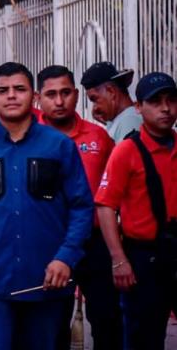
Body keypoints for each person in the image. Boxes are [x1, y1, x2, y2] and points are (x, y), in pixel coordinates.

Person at [0, 62, 93, 350]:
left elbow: (81, 207)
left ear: (33, 96)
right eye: (3, 90)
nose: (11, 95)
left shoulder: (59, 146)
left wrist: (66, 257)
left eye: (19, 89)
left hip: (48, 281)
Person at [34, 65, 120, 349]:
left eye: (66, 93)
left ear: (76, 94)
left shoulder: (99, 138)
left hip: (94, 243)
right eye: (51, 94)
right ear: (39, 99)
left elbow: (116, 191)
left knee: (108, 321)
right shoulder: (30, 139)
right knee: (51, 324)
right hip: (50, 244)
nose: (59, 102)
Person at [95, 72, 177, 350]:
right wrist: (119, 259)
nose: (165, 109)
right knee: (144, 337)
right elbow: (106, 206)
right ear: (139, 107)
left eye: (171, 101)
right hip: (144, 258)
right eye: (155, 102)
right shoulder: (127, 151)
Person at [81, 61, 143, 142]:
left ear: (111, 91)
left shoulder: (129, 121)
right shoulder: (121, 119)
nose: (95, 108)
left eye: (95, 99)